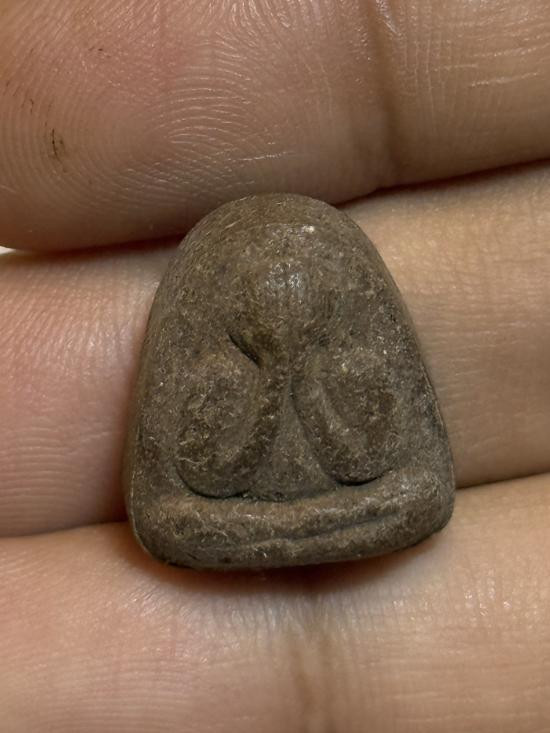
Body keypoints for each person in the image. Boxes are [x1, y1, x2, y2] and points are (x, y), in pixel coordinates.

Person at [0, 1, 549, 729]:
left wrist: (305, 377)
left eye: (300, 302)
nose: (282, 315)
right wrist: (268, 382)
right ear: (236, 308)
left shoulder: (355, 363)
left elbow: (383, 469)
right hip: (231, 520)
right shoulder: (216, 376)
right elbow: (199, 487)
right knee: (174, 524)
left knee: (415, 501)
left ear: (327, 302)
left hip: (352, 507)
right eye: (263, 304)